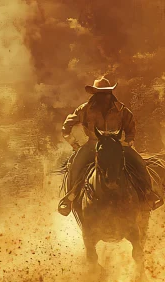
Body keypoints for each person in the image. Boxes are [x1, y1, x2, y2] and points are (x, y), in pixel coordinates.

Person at [59, 76, 161, 215]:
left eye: (106, 92)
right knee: (75, 165)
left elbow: (130, 126)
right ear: (95, 94)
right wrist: (73, 143)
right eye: (100, 93)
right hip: (93, 145)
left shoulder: (121, 110)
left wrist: (129, 140)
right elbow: (66, 126)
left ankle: (148, 194)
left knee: (139, 162)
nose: (104, 96)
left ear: (110, 93)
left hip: (118, 145)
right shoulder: (85, 109)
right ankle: (69, 199)